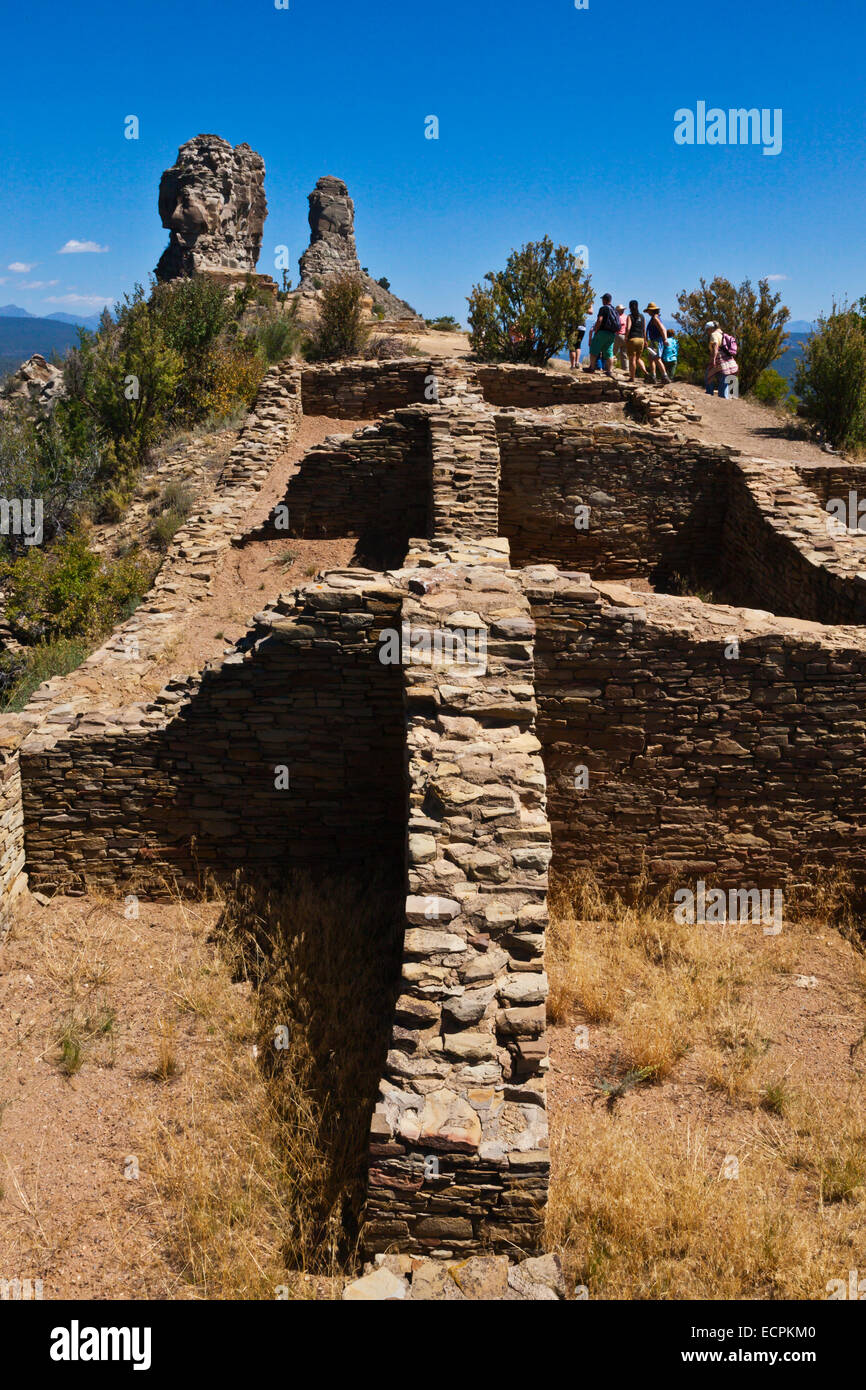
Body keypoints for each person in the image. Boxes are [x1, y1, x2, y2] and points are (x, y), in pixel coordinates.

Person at [585, 293, 619, 376]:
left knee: (594, 349)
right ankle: (609, 371)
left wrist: (596, 330)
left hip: (602, 332)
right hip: (612, 334)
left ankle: (592, 368)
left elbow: (600, 320)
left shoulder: (603, 308)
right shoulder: (614, 310)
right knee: (609, 352)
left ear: (604, 300)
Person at [705, 320, 737, 397]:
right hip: (728, 360)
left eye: (707, 330)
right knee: (724, 379)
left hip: (720, 360)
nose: (707, 332)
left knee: (708, 375)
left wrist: (713, 359)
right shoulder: (722, 333)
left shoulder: (714, 334)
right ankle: (725, 397)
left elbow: (715, 347)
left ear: (711, 328)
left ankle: (710, 393)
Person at [643, 302, 671, 385]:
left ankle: (664, 376)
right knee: (651, 358)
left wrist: (665, 339)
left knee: (656, 358)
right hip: (655, 340)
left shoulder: (655, 319)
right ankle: (654, 376)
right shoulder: (656, 318)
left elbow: (663, 329)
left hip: (656, 341)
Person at [624, 299, 647, 381]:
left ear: (630, 307)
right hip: (641, 339)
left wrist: (626, 337)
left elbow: (628, 327)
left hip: (633, 339)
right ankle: (646, 373)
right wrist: (645, 340)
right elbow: (644, 329)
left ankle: (632, 377)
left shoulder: (629, 316)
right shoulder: (642, 316)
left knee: (632, 359)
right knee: (637, 359)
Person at [614, 304, 628, 370]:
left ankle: (609, 367)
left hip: (618, 335)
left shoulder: (616, 317)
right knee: (624, 354)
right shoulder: (627, 317)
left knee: (613, 352)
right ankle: (625, 368)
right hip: (625, 336)